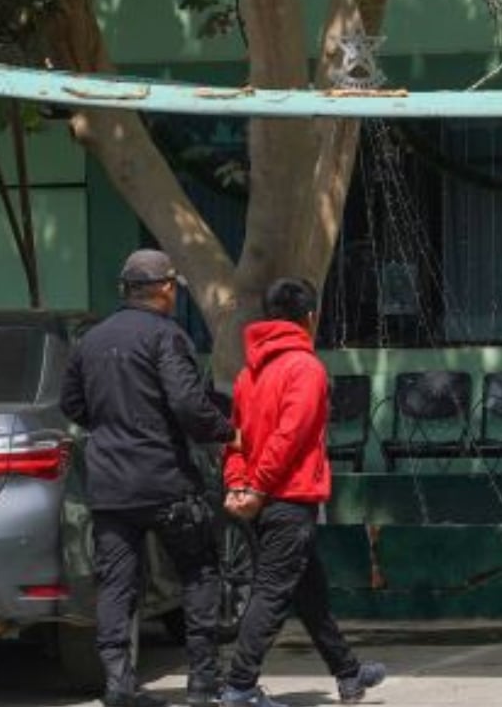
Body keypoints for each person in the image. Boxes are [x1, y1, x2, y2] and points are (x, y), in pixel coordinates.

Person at [60, 249, 236, 707]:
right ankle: (201, 683)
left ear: (126, 290)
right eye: (174, 287)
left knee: (117, 585)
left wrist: (112, 426)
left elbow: (72, 406)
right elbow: (187, 403)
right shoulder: (166, 336)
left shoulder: (91, 341)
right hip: (166, 481)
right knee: (199, 572)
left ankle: (118, 685)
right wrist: (225, 431)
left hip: (110, 488)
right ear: (165, 289)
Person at [219, 277, 386, 707]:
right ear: (309, 318)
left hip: (262, 498)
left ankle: (348, 674)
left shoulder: (248, 373)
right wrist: (255, 486)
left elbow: (235, 439)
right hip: (288, 498)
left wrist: (239, 482)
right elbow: (289, 438)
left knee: (310, 592)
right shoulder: (305, 368)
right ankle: (240, 685)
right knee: (273, 592)